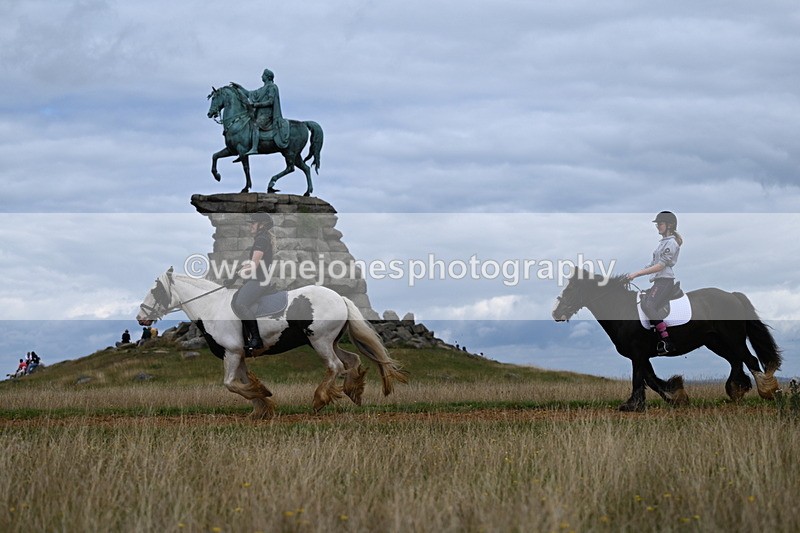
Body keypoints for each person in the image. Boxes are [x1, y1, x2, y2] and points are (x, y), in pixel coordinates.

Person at [627, 211, 684, 355]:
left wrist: (637, 274)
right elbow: (652, 264)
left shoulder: (671, 243)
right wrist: (631, 275)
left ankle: (666, 341)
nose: (657, 226)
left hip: (665, 281)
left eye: (660, 223)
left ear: (669, 225)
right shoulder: (662, 243)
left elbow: (660, 266)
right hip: (658, 281)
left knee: (648, 305)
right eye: (657, 224)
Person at [231, 213, 275, 352]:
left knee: (240, 304)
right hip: (257, 279)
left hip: (259, 280)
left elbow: (254, 264)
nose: (251, 225)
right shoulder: (262, 238)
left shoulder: (261, 240)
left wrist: (236, 275)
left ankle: (256, 339)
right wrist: (237, 272)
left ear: (262, 225)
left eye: (253, 223)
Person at [234, 68, 290, 156]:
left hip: (267, 115)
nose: (261, 77)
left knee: (255, 125)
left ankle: (254, 148)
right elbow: (249, 94)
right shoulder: (262, 89)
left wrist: (256, 105)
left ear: (267, 77)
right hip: (260, 114)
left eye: (263, 75)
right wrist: (239, 87)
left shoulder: (272, 87)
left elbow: (270, 102)